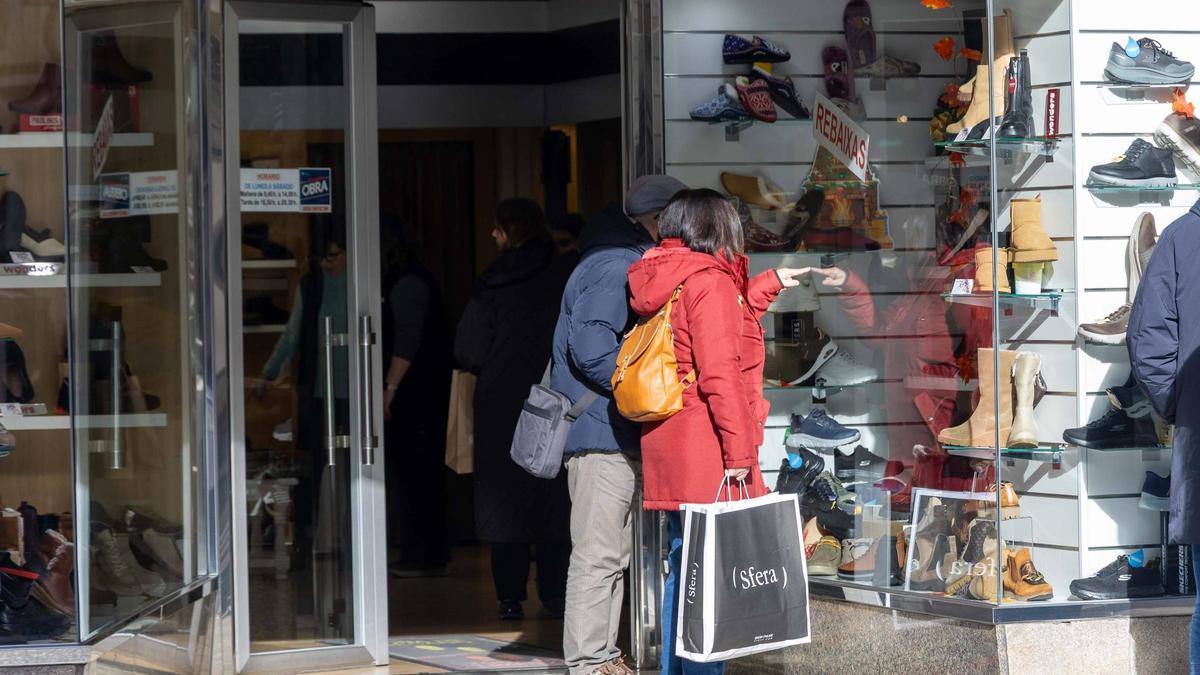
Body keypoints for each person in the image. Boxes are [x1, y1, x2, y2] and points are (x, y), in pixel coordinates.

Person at [625, 189, 808, 675]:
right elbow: (721, 375)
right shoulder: (708, 281)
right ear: (719, 227)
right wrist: (741, 456)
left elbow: (722, 328)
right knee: (713, 575)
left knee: (685, 567)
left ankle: (677, 669)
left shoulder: (671, 274)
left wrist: (766, 285)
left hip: (673, 443)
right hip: (708, 449)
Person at [555, 175, 686, 675]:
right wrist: (644, 386)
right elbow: (590, 349)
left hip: (608, 432)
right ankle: (590, 663)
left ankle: (603, 657)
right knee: (598, 556)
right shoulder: (615, 265)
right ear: (658, 220)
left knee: (609, 555)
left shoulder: (615, 258)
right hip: (600, 435)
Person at [454, 198, 575, 621]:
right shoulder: (563, 274)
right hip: (555, 396)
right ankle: (555, 592)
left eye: (497, 228)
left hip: (501, 403)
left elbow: (468, 349)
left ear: (511, 231)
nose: (492, 235)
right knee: (553, 493)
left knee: (503, 498)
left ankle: (509, 595)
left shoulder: (491, 282)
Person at [1127, 198, 1200, 674]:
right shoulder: (1181, 240)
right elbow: (1150, 345)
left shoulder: (1179, 239)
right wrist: (1184, 405)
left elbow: (1150, 346)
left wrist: (1183, 406)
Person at [380, 217, 452, 577]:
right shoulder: (415, 276)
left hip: (415, 395)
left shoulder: (407, 281)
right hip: (423, 392)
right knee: (418, 473)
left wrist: (389, 388)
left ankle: (422, 553)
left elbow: (408, 339)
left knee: (416, 474)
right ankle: (424, 552)